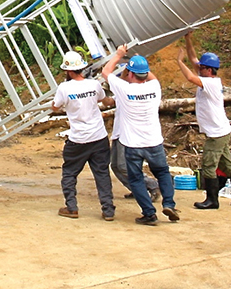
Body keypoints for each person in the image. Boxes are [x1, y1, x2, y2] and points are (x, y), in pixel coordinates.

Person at [102, 45, 180, 225]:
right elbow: (150, 75)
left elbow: (106, 71)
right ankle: (169, 203)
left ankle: (149, 214)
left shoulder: (125, 89)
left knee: (136, 178)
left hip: (133, 144)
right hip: (154, 141)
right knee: (162, 173)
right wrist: (138, 59)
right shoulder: (154, 86)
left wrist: (119, 55)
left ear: (129, 74)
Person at [176, 32, 231, 209]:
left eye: (202, 67)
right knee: (227, 165)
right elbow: (194, 58)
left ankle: (212, 200)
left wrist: (179, 62)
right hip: (220, 131)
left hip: (216, 133)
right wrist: (188, 39)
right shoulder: (207, 77)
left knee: (208, 165)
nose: (198, 68)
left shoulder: (210, 83)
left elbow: (189, 77)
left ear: (209, 70)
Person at [52, 51, 115, 222]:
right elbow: (105, 100)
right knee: (102, 173)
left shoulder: (64, 88)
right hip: (98, 137)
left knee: (69, 173)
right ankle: (108, 210)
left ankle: (71, 207)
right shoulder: (93, 85)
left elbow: (55, 107)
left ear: (68, 71)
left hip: (78, 139)